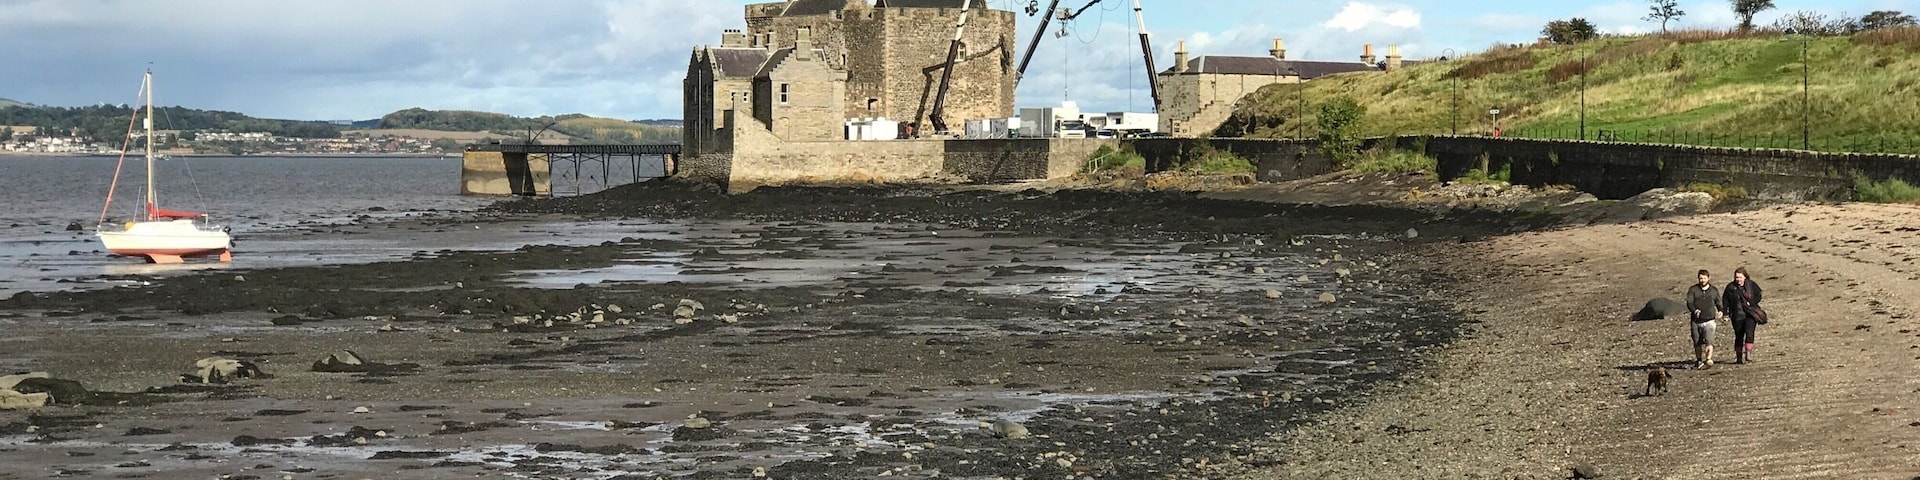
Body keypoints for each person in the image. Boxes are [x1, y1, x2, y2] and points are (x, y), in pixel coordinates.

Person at [1683, 269, 1724, 369]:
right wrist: (1694, 310)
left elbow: (1719, 302)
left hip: (1709, 320)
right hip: (1696, 321)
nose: (1702, 280)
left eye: (1704, 278)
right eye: (1701, 278)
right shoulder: (1693, 290)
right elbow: (1689, 302)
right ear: (1698, 278)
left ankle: (1709, 359)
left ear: (1708, 278)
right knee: (1697, 341)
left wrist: (1721, 311)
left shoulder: (1713, 290)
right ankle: (1699, 360)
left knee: (1709, 341)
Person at [1723, 266, 1765, 364]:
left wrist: (1752, 302)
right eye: (1736, 277)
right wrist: (1725, 313)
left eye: (1740, 277)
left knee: (1750, 333)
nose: (1738, 279)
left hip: (1750, 314)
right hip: (1737, 315)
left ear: (1745, 277)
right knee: (1739, 336)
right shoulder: (1730, 287)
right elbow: (1725, 301)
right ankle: (1738, 357)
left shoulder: (1752, 285)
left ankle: (1748, 354)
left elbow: (1758, 295)